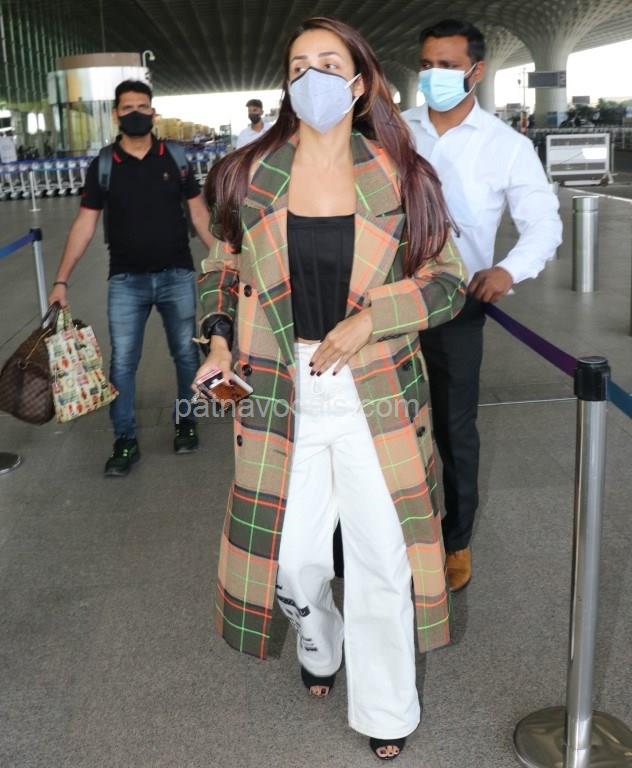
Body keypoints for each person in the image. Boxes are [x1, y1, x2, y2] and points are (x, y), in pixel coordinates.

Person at [194, 16, 466, 762]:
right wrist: (217, 335)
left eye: (328, 64)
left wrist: (374, 318)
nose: (312, 77)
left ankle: (386, 707)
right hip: (279, 389)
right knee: (288, 559)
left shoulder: (402, 175)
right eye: (298, 66)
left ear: (359, 82)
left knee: (381, 560)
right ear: (287, 84)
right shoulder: (249, 174)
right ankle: (320, 640)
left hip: (375, 389)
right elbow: (221, 265)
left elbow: (447, 283)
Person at [403, 19, 562, 591]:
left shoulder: (506, 145)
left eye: (447, 66)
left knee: (453, 428)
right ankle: (388, 538)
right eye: (427, 65)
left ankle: (456, 540)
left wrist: (507, 269)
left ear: (476, 71)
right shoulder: (394, 131)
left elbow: (543, 223)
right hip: (387, 302)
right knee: (383, 426)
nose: (434, 76)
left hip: (456, 304)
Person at [48, 80, 214, 477]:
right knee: (123, 363)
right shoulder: (104, 165)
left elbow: (198, 213)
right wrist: (61, 280)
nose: (136, 113)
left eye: (142, 106)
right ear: (115, 114)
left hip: (177, 274)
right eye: (127, 107)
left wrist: (225, 257)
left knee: (186, 355)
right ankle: (125, 440)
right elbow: (84, 224)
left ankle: (186, 422)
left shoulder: (176, 158)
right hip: (126, 281)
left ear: (153, 112)